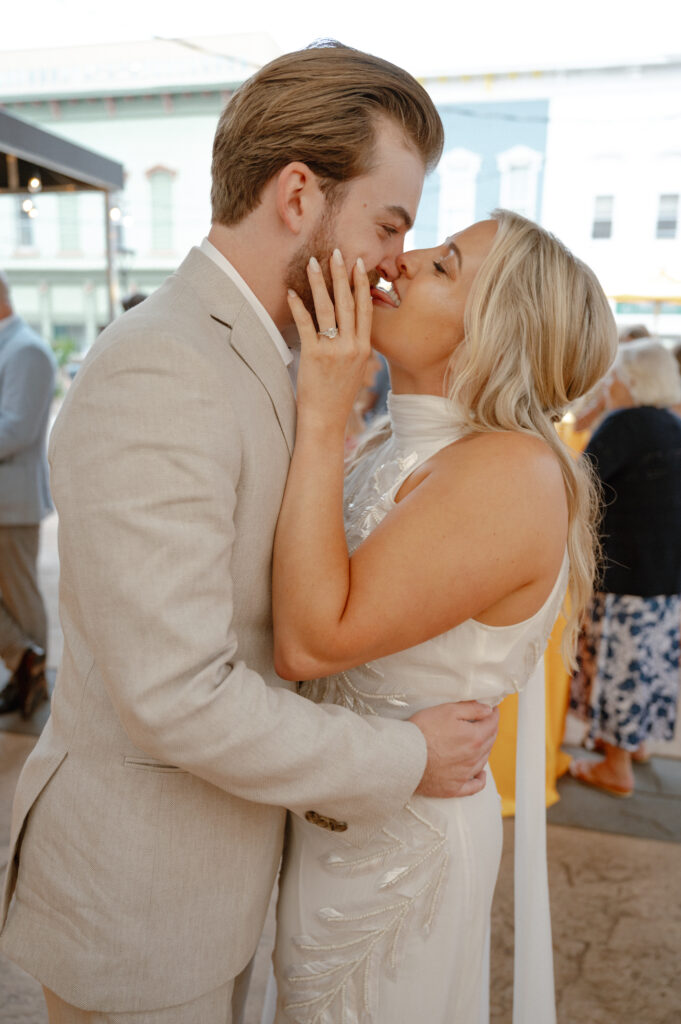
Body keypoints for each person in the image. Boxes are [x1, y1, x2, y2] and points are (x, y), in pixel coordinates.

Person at [0, 43, 501, 1024]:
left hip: (227, 885)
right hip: (141, 913)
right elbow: (179, 693)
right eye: (389, 222)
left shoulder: (281, 356)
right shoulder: (162, 369)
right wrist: (402, 756)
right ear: (299, 194)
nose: (397, 259)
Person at [267, 210, 618, 1023]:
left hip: (401, 853)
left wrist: (325, 406)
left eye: (444, 266)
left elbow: (310, 640)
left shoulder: (510, 472)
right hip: (343, 812)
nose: (407, 257)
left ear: (492, 335)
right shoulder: (400, 442)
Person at [569, 340, 681, 797]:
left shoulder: (624, 424)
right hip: (666, 574)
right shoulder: (672, 425)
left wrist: (595, 413)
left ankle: (616, 767)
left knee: (617, 666)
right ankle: (633, 747)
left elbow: (579, 483)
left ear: (629, 380)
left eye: (614, 375)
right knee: (649, 663)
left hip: (625, 573)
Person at [0, 270, 55, 719]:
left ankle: (30, 676)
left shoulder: (26, 350)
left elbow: (15, 429)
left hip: (11, 502)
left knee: (20, 594)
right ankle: (22, 661)